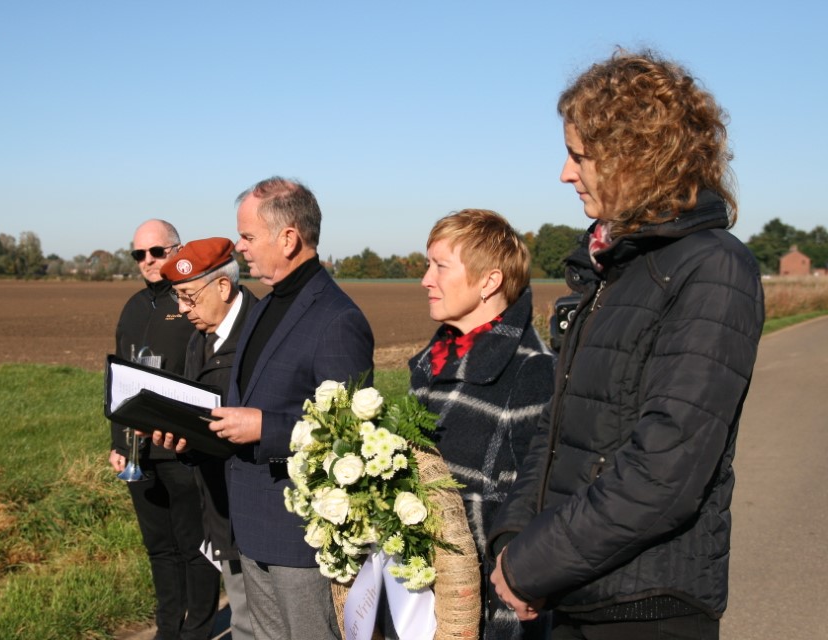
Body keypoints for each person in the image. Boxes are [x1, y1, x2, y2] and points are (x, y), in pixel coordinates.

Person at [486, 49, 766, 640]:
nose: (566, 173)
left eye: (579, 156)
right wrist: (514, 538)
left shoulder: (713, 268)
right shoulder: (611, 270)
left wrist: (533, 562)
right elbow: (556, 431)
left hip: (647, 608)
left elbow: (664, 472)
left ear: (635, 157)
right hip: (572, 591)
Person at [205, 177, 375, 640]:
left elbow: (350, 435)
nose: (239, 247)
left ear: (288, 237)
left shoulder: (337, 320)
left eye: (248, 236)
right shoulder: (265, 305)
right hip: (252, 519)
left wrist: (267, 429)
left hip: (300, 536)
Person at [408, 209, 556, 640]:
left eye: (440, 266)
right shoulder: (430, 364)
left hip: (488, 618)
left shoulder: (532, 374)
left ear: (489, 282)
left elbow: (538, 517)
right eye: (427, 264)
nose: (425, 280)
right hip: (421, 608)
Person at [109, 219, 221, 640]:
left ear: (177, 250)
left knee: (196, 547)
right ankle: (167, 629)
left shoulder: (193, 300)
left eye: (157, 252)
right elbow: (119, 379)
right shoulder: (134, 307)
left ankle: (199, 630)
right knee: (160, 548)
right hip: (138, 452)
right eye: (139, 254)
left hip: (183, 448)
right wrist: (117, 443)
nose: (148, 261)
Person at [155, 236, 259, 640]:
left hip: (257, 510)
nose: (182, 311)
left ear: (222, 286)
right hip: (218, 506)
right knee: (243, 617)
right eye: (178, 298)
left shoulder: (260, 335)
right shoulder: (200, 337)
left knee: (262, 622)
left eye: (188, 297)